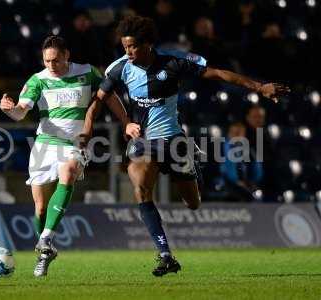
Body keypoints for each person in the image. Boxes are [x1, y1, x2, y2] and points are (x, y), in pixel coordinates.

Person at [80, 15, 289, 277]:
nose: (128, 52)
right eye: (125, 47)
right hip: (144, 142)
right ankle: (165, 254)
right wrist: (97, 129)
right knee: (140, 186)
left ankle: (193, 165)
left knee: (193, 204)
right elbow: (98, 101)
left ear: (147, 44)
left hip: (175, 142)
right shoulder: (120, 68)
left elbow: (219, 73)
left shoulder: (173, 61)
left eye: (133, 46)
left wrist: (259, 87)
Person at [0, 35, 105, 277]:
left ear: (67, 55)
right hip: (44, 145)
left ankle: (46, 238)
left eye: (56, 60)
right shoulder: (38, 80)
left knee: (67, 172)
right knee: (40, 209)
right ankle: (45, 253)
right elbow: (20, 113)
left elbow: (108, 94)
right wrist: (10, 109)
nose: (51, 65)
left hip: (74, 145)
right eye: (47, 61)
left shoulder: (88, 72)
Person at [220, 122, 263, 201]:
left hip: (245, 186)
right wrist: (237, 181)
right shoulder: (220, 148)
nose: (237, 136)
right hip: (226, 185)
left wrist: (251, 182)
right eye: (234, 133)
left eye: (239, 133)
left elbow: (256, 169)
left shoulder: (248, 150)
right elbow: (225, 169)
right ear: (229, 134)